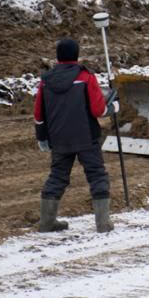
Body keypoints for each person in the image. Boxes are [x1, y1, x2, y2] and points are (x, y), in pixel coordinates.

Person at [34, 37, 117, 233]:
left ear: (58, 56)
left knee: (57, 176)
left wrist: (42, 137)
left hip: (58, 138)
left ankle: (47, 222)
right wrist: (113, 107)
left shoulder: (45, 81)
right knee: (96, 175)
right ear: (76, 55)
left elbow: (39, 114)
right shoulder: (86, 77)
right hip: (86, 136)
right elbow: (98, 110)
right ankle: (103, 223)